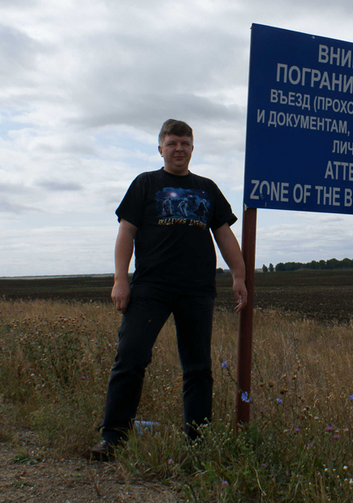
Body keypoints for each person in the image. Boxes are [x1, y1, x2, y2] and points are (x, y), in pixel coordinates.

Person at [88, 119, 247, 461]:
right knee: (130, 358)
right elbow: (126, 233)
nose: (179, 149)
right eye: (172, 143)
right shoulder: (145, 184)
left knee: (198, 368)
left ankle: (197, 442)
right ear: (160, 148)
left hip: (196, 291)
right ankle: (113, 438)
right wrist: (120, 279)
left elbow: (224, 235)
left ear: (192, 148)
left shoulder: (207, 188)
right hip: (150, 288)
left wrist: (238, 275)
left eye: (185, 143)